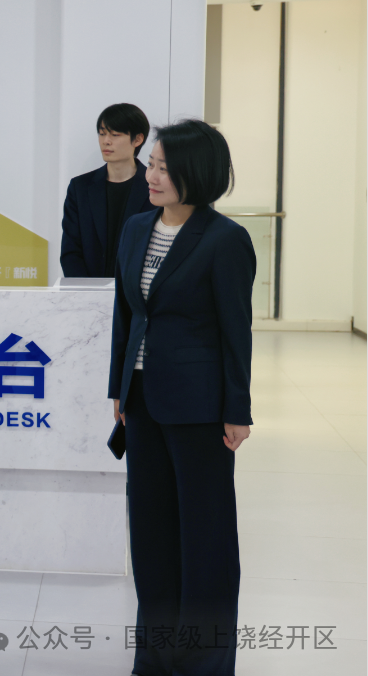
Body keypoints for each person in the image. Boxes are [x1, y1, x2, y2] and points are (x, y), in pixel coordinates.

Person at [108, 119, 254, 676]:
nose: (151, 174)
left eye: (164, 167)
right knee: (151, 535)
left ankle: (204, 664)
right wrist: (119, 388)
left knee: (205, 541)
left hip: (200, 409)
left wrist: (236, 409)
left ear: (196, 173)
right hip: (143, 402)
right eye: (152, 164)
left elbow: (235, 332)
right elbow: (126, 314)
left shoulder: (224, 239)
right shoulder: (136, 228)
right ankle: (155, 658)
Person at [61, 103, 157, 278]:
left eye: (115, 134)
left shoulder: (155, 187)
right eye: (102, 133)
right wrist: (85, 290)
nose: (106, 141)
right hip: (87, 290)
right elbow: (70, 251)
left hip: (136, 290)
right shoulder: (80, 187)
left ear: (137, 139)